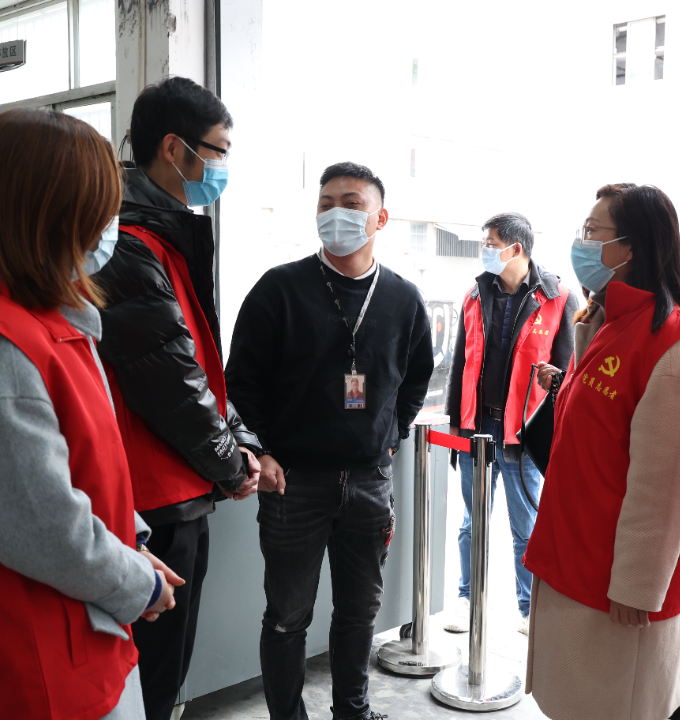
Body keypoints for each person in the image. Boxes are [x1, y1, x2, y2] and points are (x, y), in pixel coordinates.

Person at [0, 108, 179, 720]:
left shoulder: (51, 326)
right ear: (55, 213)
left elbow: (83, 469)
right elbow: (40, 527)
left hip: (68, 633)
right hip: (28, 663)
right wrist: (135, 583)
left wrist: (132, 544)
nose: (111, 226)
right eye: (101, 209)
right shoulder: (1, 344)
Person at [225, 161, 434, 720]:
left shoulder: (404, 298)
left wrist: (392, 433)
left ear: (381, 218)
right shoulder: (279, 289)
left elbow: (416, 377)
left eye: (351, 203)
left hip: (370, 481)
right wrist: (260, 449)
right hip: (293, 483)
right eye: (325, 203)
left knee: (359, 614)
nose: (335, 213)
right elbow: (240, 382)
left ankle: (353, 713)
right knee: (287, 617)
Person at [92, 76, 262, 720]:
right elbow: (172, 384)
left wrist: (239, 439)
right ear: (174, 148)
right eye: (217, 151)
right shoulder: (129, 247)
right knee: (153, 674)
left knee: (163, 666)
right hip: (155, 495)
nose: (222, 167)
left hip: (177, 484)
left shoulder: (166, 236)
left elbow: (197, 362)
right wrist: (232, 465)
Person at [523, 183, 680, 720]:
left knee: (617, 704)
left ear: (630, 247)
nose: (581, 243)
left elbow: (665, 485)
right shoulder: (607, 324)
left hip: (614, 583)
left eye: (592, 231)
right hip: (573, 551)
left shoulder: (669, 344)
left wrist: (638, 585)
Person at [444, 212, 578, 636]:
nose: (484, 250)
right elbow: (460, 364)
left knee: (525, 527)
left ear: (515, 248)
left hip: (523, 434)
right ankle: (467, 598)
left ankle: (528, 606)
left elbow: (570, 374)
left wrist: (555, 434)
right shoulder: (474, 295)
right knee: (471, 524)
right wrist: (456, 427)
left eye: (490, 243)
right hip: (476, 429)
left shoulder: (559, 298)